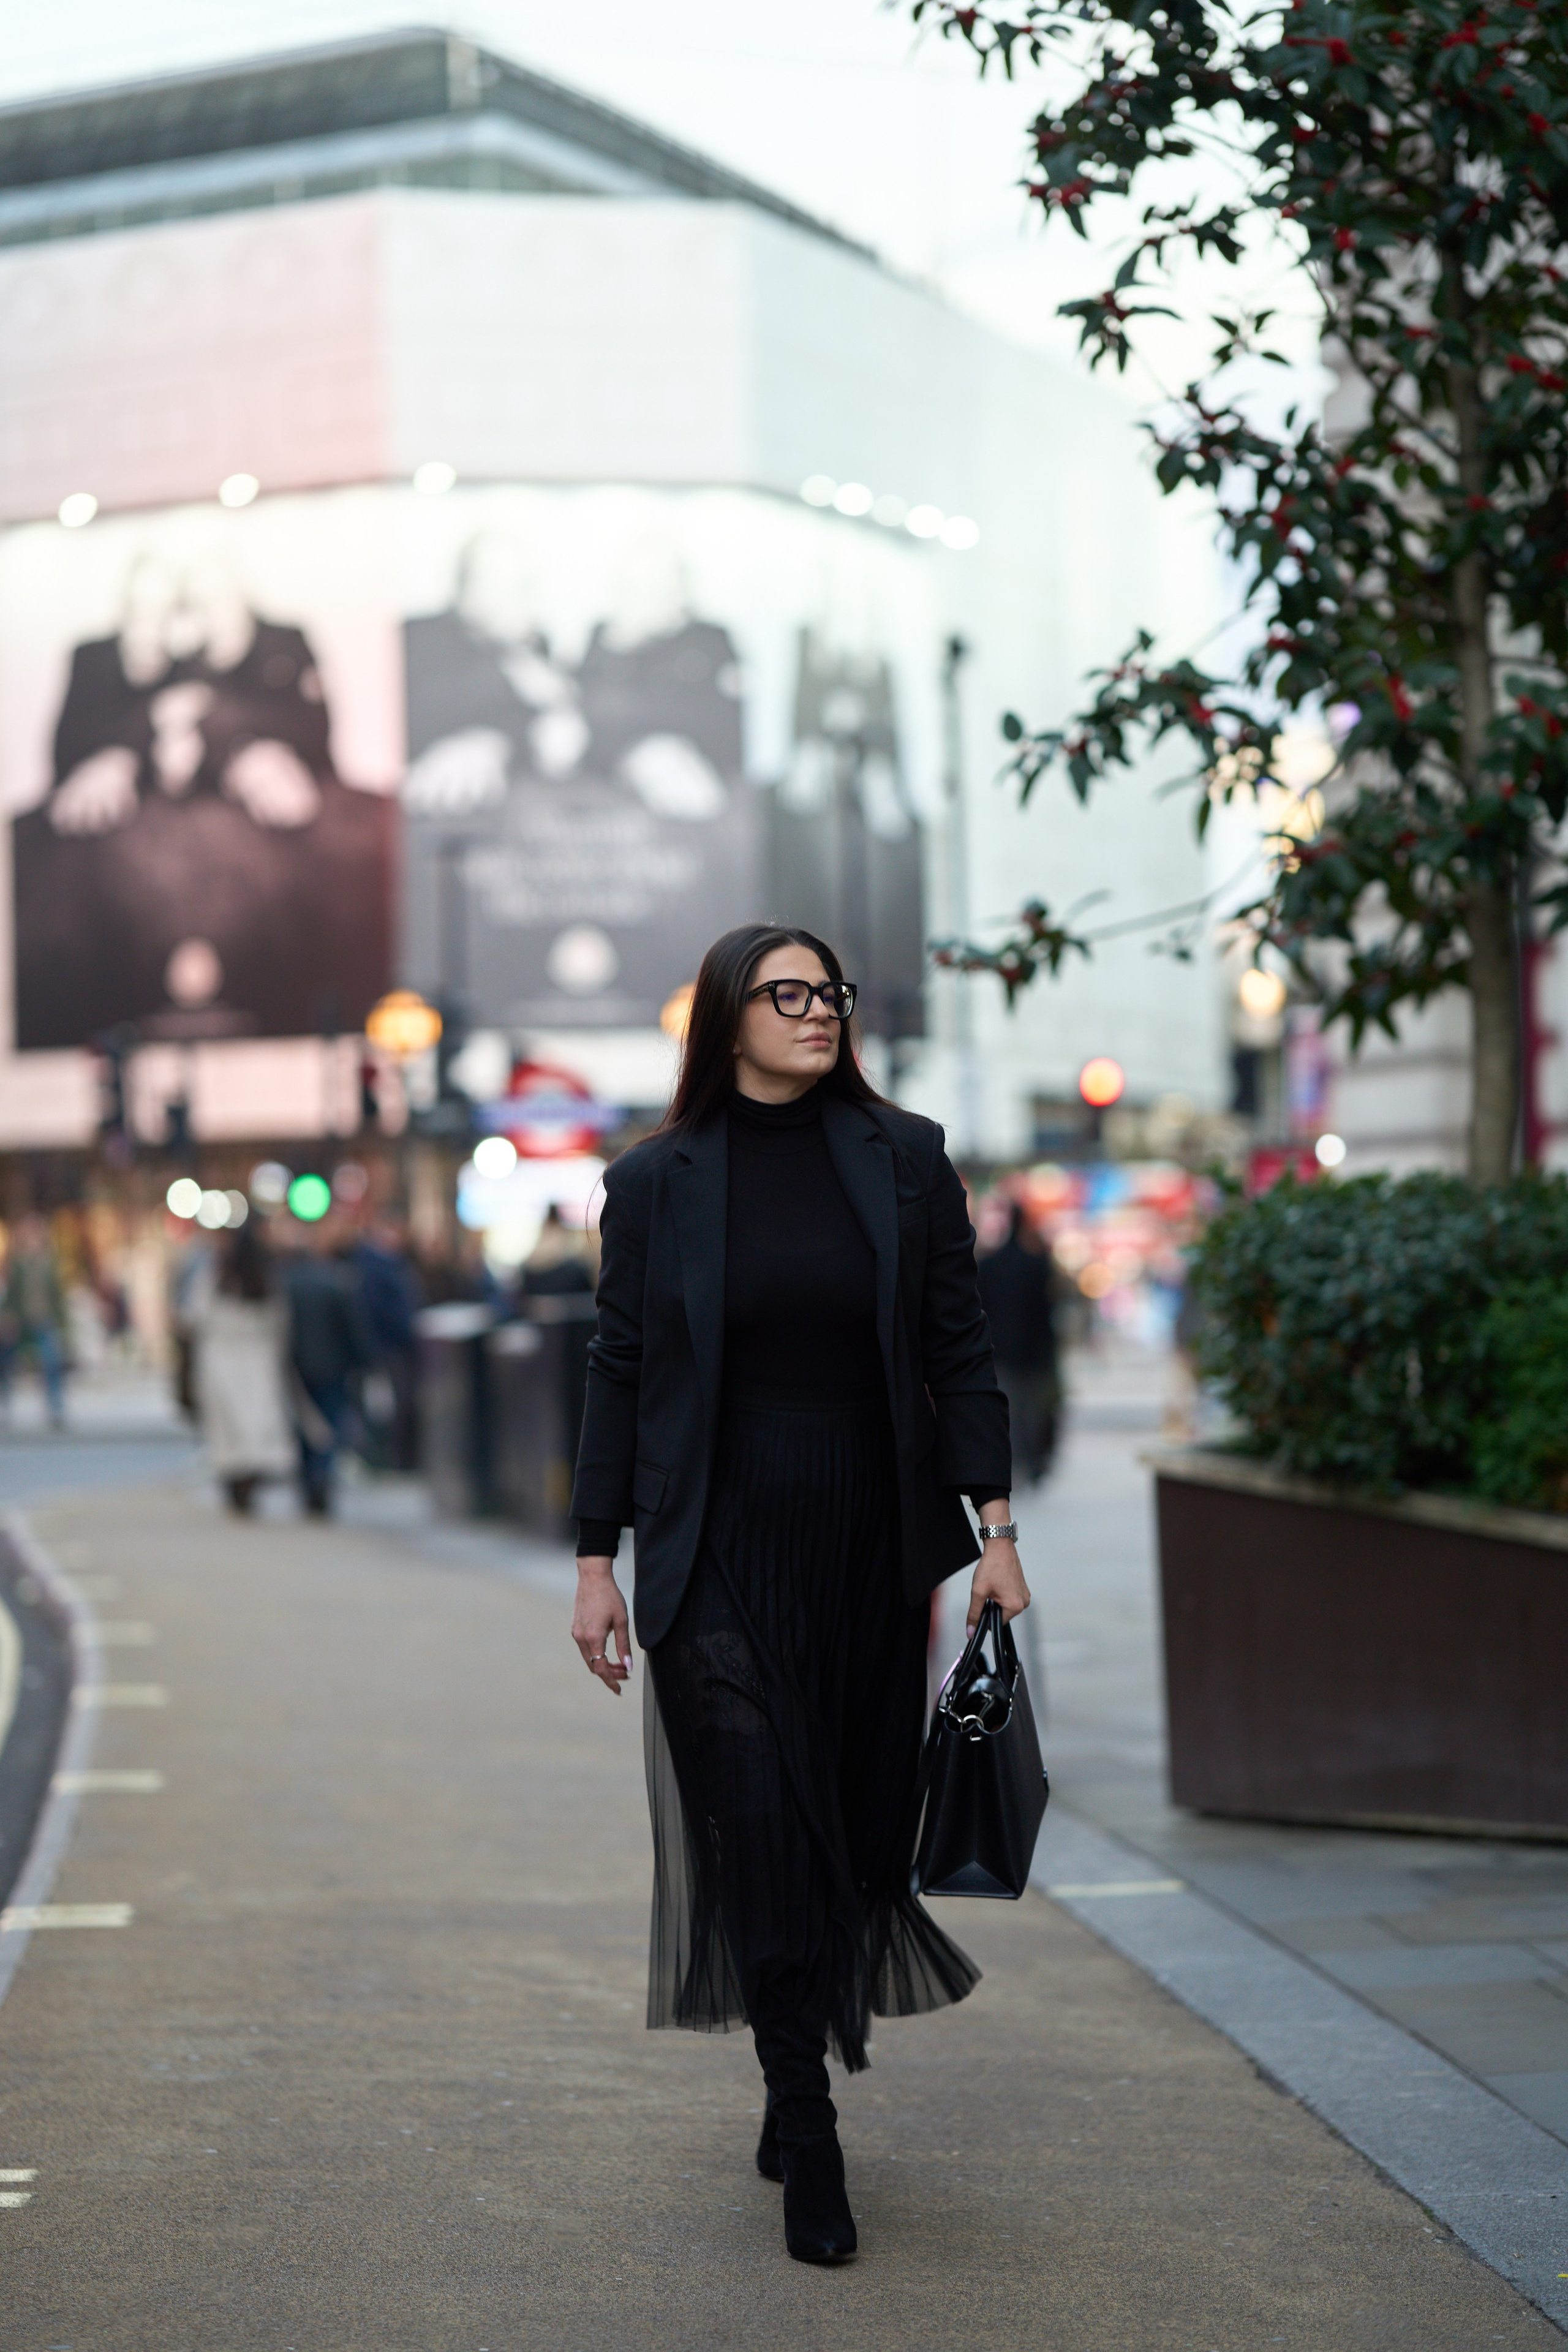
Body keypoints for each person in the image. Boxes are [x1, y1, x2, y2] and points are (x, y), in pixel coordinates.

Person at [570, 923, 1026, 2267]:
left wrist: (992, 1527)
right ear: (726, 1021)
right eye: (787, 995)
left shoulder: (904, 1159)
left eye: (827, 993)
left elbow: (959, 1349)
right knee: (759, 1822)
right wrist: (596, 1556)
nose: (817, 1012)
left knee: (854, 1825)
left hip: (868, 1538)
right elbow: (616, 1367)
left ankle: (798, 2046)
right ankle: (802, 2118)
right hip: (713, 1539)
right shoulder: (655, 1181)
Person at [193, 1223, 292, 1514]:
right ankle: (250, 1481)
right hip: (257, 1357)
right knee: (254, 1425)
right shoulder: (267, 1279)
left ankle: (236, 1484)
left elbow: (196, 1314)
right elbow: (280, 1321)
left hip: (222, 1356)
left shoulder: (215, 1277)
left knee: (228, 1428)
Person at [279, 1223, 372, 1515]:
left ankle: (309, 1482)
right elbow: (353, 1329)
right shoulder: (336, 1283)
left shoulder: (288, 1284)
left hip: (298, 1367)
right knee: (328, 1428)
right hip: (332, 1368)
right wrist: (364, 1362)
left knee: (304, 1429)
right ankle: (322, 1478)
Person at [976, 1200, 1061, 1486]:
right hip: (1032, 1352)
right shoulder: (1036, 1265)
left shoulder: (988, 1265)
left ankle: (1013, 1463)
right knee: (1032, 1409)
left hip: (999, 1350)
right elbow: (1047, 1311)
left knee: (1008, 1410)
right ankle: (1032, 1462)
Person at [0, 1213, 69, 1427]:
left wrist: (63, 1325)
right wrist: (7, 1317)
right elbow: (12, 1295)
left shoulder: (50, 1262)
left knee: (51, 1363)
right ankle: (5, 1406)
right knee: (7, 1363)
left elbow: (58, 1296)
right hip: (21, 1320)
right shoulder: (18, 1263)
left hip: (44, 1319)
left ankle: (55, 1407)